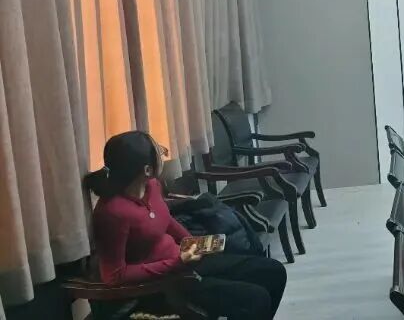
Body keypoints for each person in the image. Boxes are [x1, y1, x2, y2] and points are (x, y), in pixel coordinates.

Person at [84, 131, 287, 320]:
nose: (162, 156)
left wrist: (194, 243)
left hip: (185, 261)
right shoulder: (112, 212)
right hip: (164, 284)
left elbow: (166, 221)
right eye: (159, 153)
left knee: (273, 271)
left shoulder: (151, 186)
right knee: (256, 299)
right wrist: (176, 262)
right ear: (147, 170)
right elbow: (114, 275)